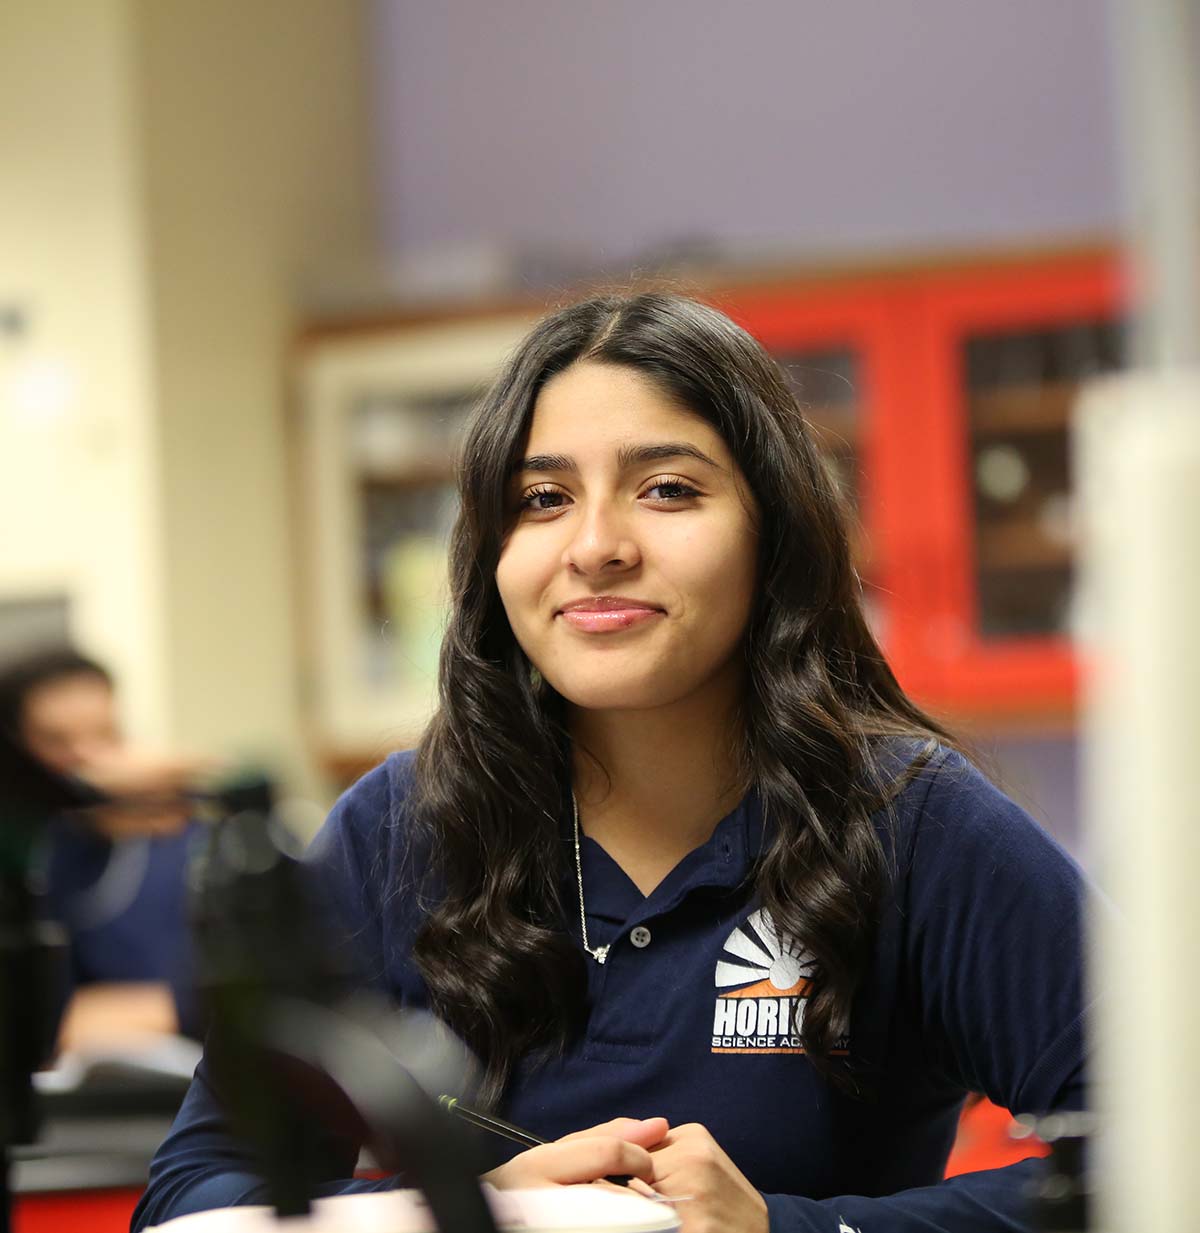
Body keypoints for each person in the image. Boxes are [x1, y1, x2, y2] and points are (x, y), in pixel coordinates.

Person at [132, 293, 1091, 1232]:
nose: (595, 547)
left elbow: (1151, 1153)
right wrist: (473, 1210)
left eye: (667, 488)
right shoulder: (397, 828)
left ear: (774, 530)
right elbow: (191, 1200)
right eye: (542, 499)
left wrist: (780, 1229)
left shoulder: (910, 822)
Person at [0, 647, 207, 1048]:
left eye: (105, 734)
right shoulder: (37, 854)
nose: (89, 757)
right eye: (57, 741)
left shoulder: (188, 831)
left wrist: (176, 1008)